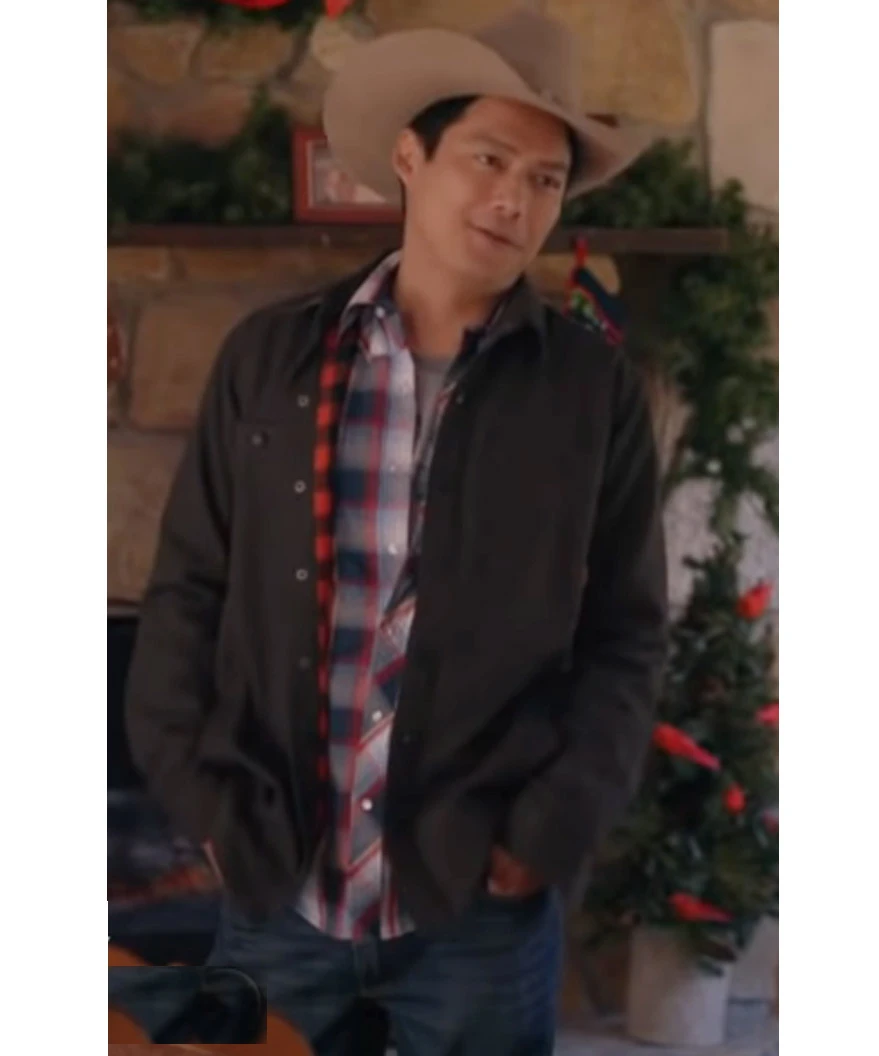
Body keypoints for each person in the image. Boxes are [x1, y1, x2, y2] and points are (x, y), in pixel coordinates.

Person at [124, 8, 668, 1055]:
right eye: (489, 158)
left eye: (546, 179)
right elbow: (188, 588)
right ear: (412, 157)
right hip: (278, 886)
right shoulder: (268, 359)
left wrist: (552, 826)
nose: (513, 198)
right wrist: (202, 799)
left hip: (477, 909)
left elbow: (627, 633)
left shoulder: (591, 392)